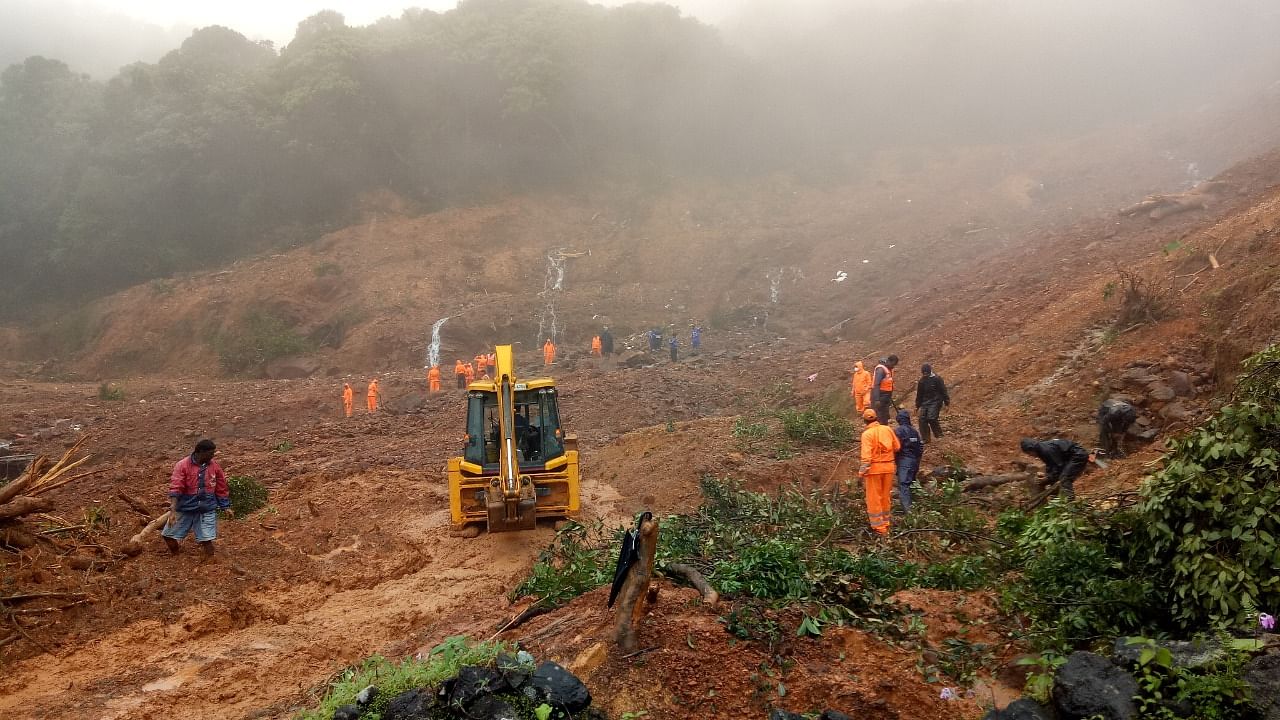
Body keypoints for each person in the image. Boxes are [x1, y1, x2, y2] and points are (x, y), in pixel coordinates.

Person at [162, 439, 231, 559]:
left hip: (206, 507)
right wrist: (173, 510)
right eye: (210, 453)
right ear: (200, 452)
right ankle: (176, 557)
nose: (213, 456)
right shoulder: (183, 465)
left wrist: (226, 506)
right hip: (185, 507)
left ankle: (210, 563)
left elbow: (221, 488)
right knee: (168, 535)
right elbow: (176, 487)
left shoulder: (214, 466)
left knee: (206, 539)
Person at [858, 408, 900, 536]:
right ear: (877, 418)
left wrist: (861, 473)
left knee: (874, 498)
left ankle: (878, 527)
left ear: (865, 421)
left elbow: (866, 458)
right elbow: (897, 447)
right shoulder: (887, 429)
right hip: (888, 468)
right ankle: (886, 522)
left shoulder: (867, 434)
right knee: (885, 496)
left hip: (874, 470)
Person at [1020, 437, 1090, 500]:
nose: (1030, 455)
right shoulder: (1041, 450)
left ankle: (1070, 501)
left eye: (1029, 453)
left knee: (1064, 477)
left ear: (1031, 449)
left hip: (1077, 455)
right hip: (1068, 456)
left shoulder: (1046, 450)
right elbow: (1050, 465)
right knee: (1054, 477)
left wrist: (1048, 477)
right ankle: (1055, 499)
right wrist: (1047, 476)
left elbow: (1059, 467)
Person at [893, 409, 924, 512]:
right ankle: (915, 506)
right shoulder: (914, 431)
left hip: (904, 461)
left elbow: (895, 447)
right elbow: (920, 447)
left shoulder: (898, 431)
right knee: (911, 483)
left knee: (904, 485)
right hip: (914, 461)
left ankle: (908, 511)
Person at [915, 364, 951, 443]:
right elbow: (919, 395)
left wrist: (947, 403)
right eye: (923, 373)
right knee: (922, 419)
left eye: (926, 373)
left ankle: (939, 434)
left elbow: (943, 391)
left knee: (931, 417)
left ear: (930, 371)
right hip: (925, 402)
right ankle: (925, 438)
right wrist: (917, 406)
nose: (925, 375)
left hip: (936, 401)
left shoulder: (937, 379)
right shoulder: (921, 381)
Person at [871, 355, 899, 423]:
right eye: (893, 364)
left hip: (886, 396)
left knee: (885, 415)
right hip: (880, 396)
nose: (893, 366)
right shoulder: (881, 370)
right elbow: (876, 384)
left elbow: (888, 383)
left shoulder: (889, 369)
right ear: (889, 361)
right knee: (879, 415)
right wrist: (877, 399)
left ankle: (884, 428)